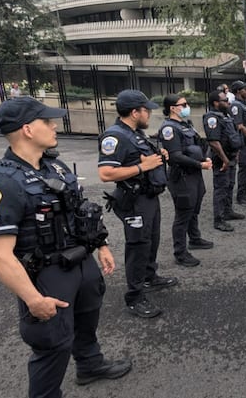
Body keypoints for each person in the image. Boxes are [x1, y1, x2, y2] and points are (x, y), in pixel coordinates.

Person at [0, 97, 132, 397]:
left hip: (81, 261)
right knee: (52, 344)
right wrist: (33, 299)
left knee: (87, 319)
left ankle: (89, 365)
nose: (54, 125)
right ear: (27, 129)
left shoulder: (52, 166)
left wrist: (101, 245)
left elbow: (81, 209)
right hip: (47, 274)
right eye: (47, 121)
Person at [98, 89, 178, 319]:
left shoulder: (135, 133)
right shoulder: (115, 136)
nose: (149, 115)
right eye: (146, 111)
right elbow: (106, 173)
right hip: (134, 201)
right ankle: (134, 296)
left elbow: (144, 158)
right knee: (138, 246)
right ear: (135, 112)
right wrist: (143, 167)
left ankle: (149, 276)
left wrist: (158, 156)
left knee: (151, 241)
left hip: (148, 198)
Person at [158, 94, 214, 267]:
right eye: (183, 104)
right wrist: (200, 164)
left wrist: (205, 159)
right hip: (181, 176)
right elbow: (175, 157)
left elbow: (199, 145)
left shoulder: (186, 125)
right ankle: (180, 252)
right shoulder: (169, 129)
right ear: (173, 108)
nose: (187, 107)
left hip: (194, 174)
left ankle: (195, 239)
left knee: (193, 208)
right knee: (183, 214)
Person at [203, 91, 245, 232]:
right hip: (221, 159)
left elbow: (233, 135)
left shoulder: (225, 115)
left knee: (229, 185)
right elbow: (214, 142)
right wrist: (225, 160)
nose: (228, 102)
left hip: (231, 156)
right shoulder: (211, 118)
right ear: (216, 102)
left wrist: (236, 153)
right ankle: (218, 219)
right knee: (221, 188)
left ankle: (228, 211)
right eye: (225, 100)